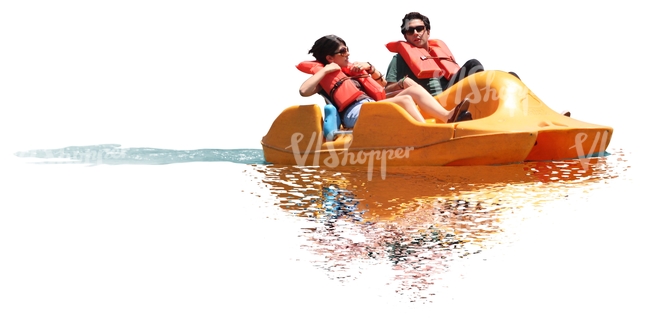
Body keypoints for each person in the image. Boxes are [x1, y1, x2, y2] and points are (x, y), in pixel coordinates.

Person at [298, 35, 470, 129]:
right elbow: (304, 91)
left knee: (413, 90)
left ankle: (447, 116)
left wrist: (370, 68)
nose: (348, 53)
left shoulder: (351, 69)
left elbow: (382, 86)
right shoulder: (325, 76)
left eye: (347, 49)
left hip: (371, 105)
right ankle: (424, 131)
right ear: (329, 57)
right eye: (343, 51)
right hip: (354, 114)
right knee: (405, 99)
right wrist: (326, 70)